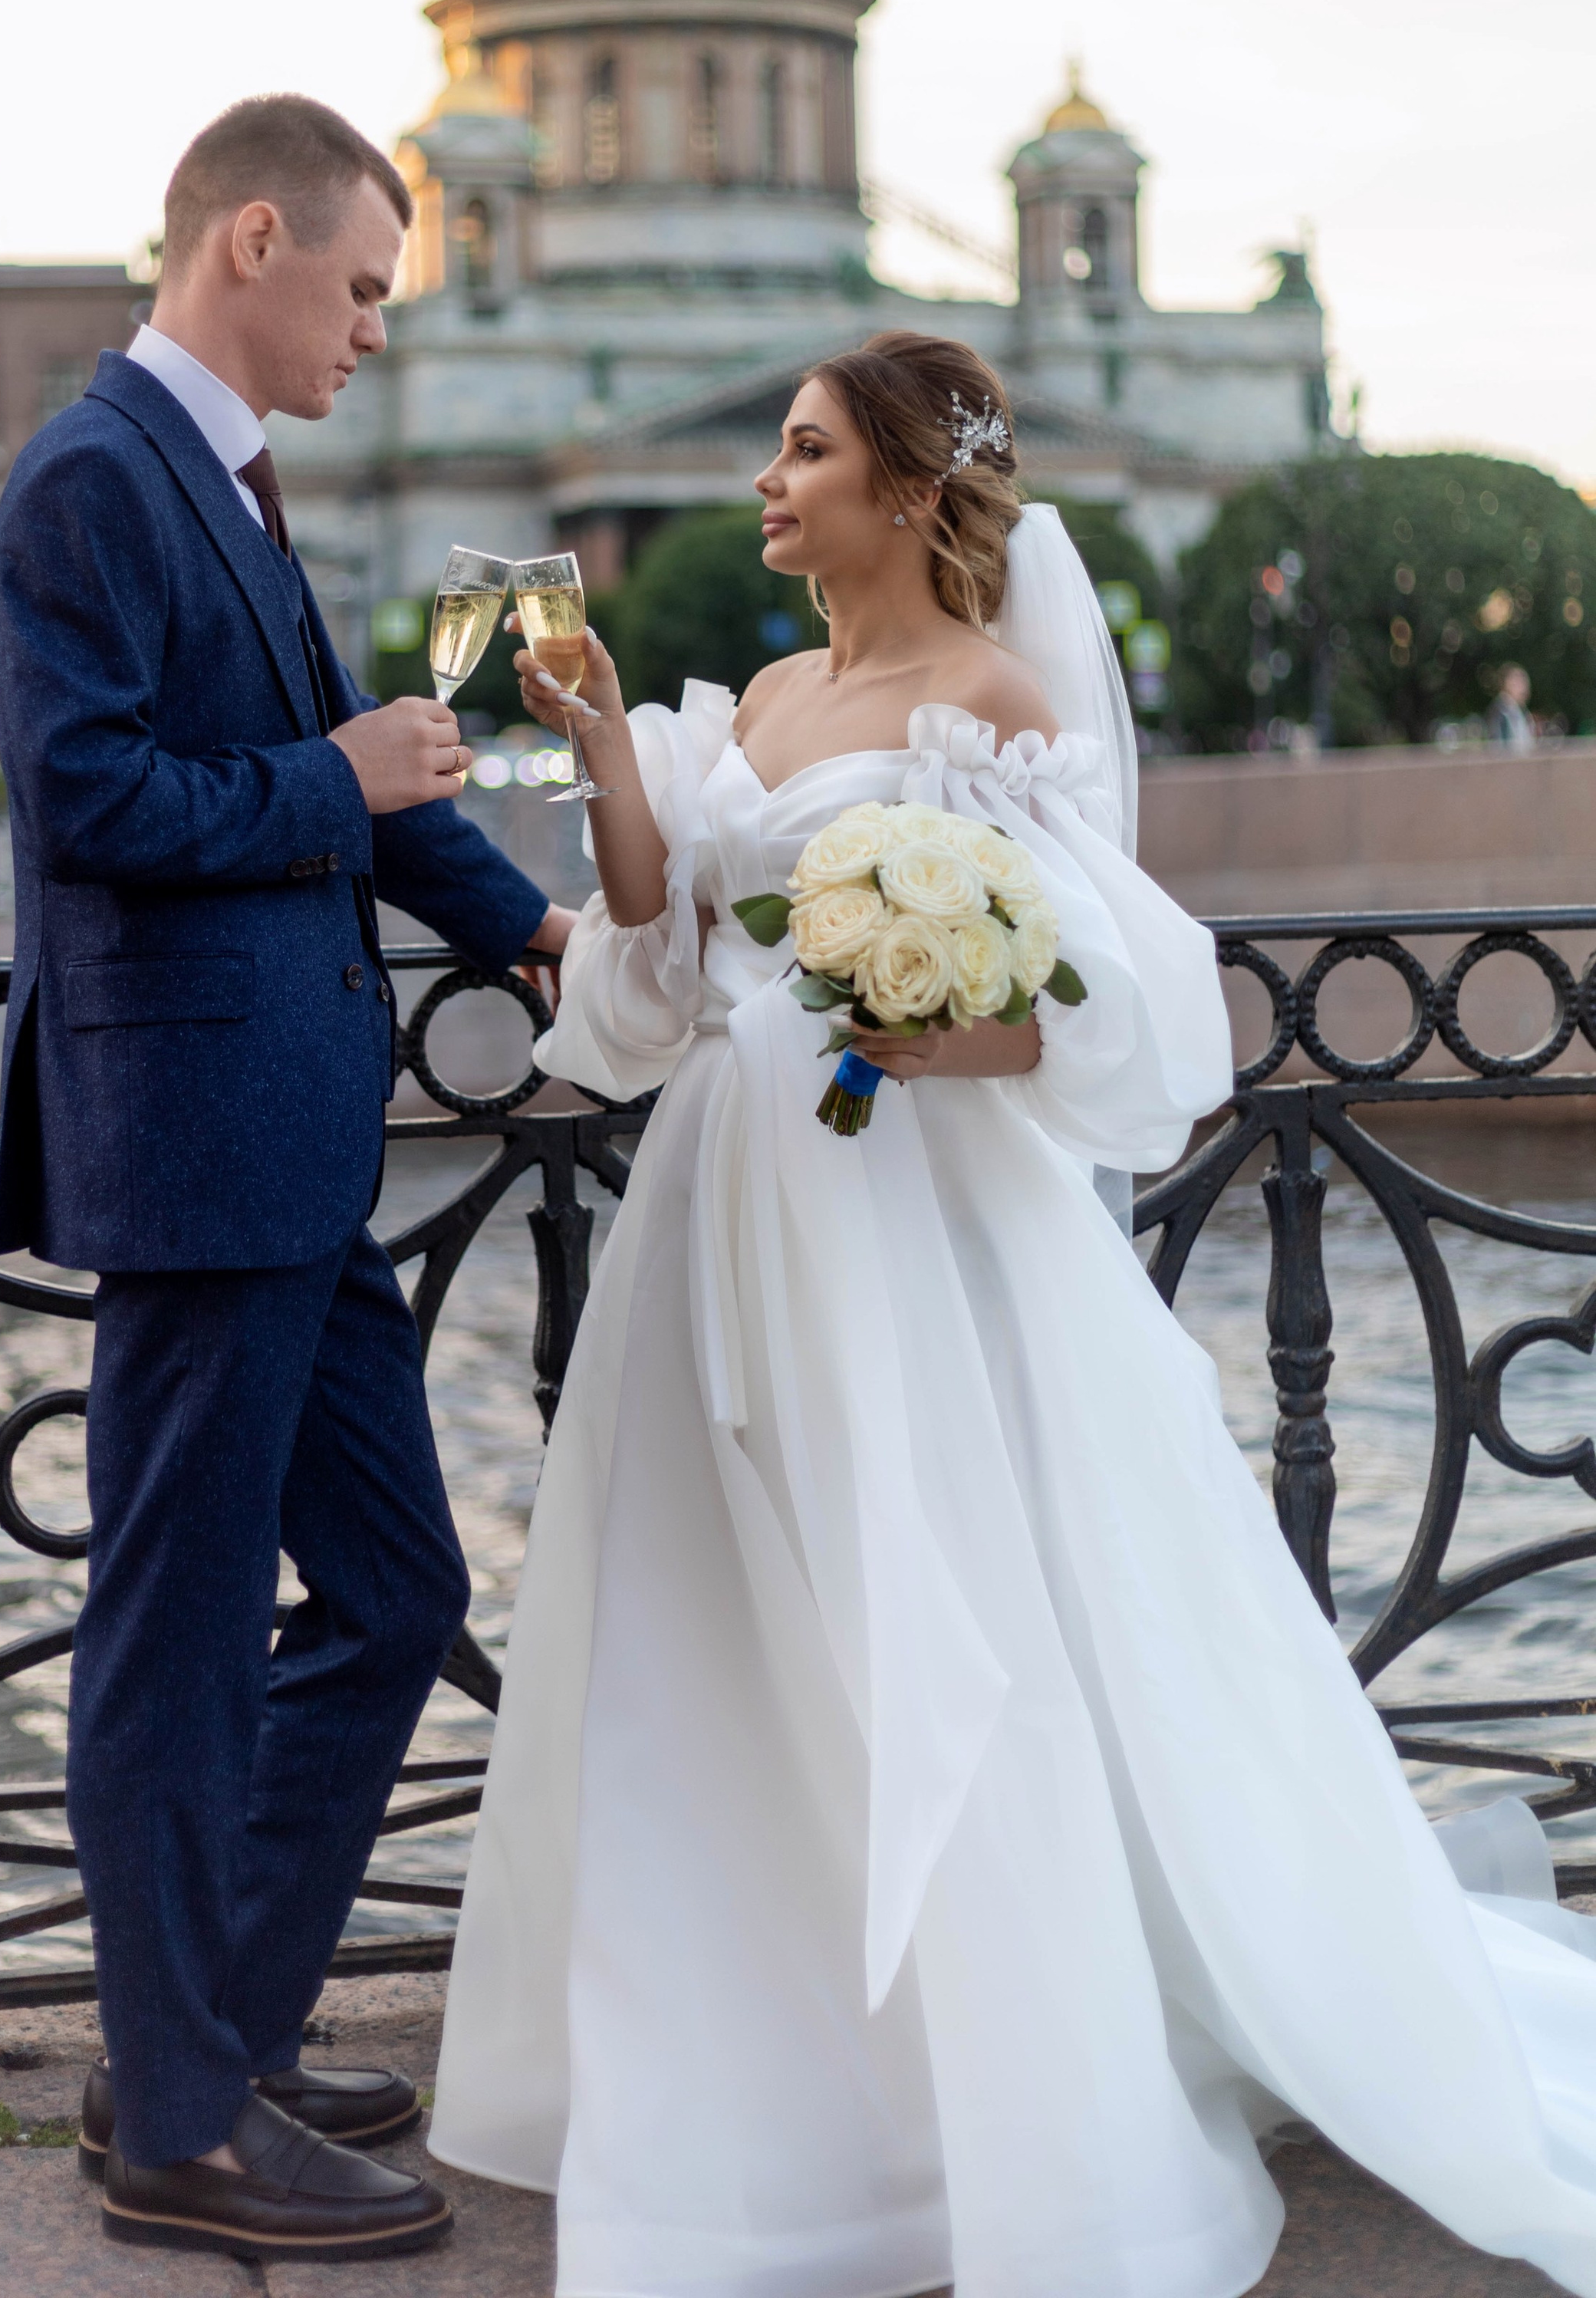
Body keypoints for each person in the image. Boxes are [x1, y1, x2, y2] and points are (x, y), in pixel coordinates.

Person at [429, 329, 1596, 2298]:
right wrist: (620, 754)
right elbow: (651, 950)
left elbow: (1091, 1013)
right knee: (709, 1627)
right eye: (773, 446)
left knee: (939, 1615)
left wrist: (887, 1013)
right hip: (720, 1199)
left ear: (902, 490)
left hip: (898, 1226)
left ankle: (984, 2100)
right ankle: (764, 2088)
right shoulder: (775, 690)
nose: (767, 482)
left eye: (801, 452)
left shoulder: (989, 704)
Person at [0, 94, 573, 2263]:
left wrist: (530, 926)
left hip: (288, 1147)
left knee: (401, 1590)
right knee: (178, 1639)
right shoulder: (88, 477)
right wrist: (331, 779)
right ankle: (180, 2129)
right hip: (201, 1142)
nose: (376, 336)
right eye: (360, 289)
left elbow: (380, 778)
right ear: (252, 240)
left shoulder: (218, 478)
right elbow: (91, 797)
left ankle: (200, 2029)